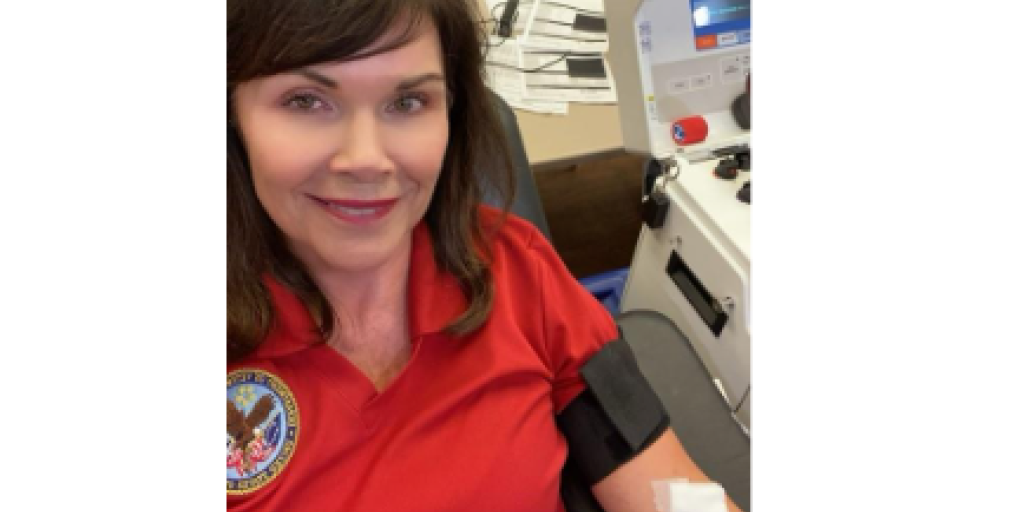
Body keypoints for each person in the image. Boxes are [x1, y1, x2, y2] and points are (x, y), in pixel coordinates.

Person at [227, 0, 744, 510]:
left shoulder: (515, 268)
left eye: (407, 103)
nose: (366, 160)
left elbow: (666, 490)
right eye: (305, 101)